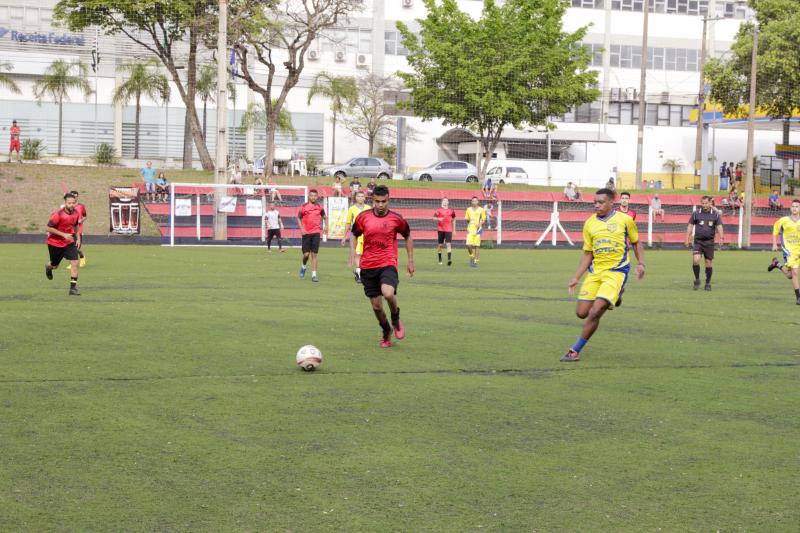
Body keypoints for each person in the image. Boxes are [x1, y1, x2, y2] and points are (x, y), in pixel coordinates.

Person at [562, 188, 645, 362]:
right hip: (595, 273)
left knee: (595, 312)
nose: (596, 205)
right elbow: (588, 253)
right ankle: (617, 296)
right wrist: (576, 277)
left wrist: (641, 264)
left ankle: (574, 351)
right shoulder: (589, 223)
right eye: (594, 202)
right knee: (581, 313)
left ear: (610, 203)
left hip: (616, 272)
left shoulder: (625, 220)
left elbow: (636, 243)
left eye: (600, 202)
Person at [351, 184, 414, 348]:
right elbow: (354, 234)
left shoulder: (396, 219)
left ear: (389, 200)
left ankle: (395, 318)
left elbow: (407, 236)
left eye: (384, 201)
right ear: (373, 200)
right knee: (377, 307)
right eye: (377, 201)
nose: (380, 205)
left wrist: (410, 260)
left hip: (387, 262)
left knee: (388, 293)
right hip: (368, 266)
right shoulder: (363, 217)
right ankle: (386, 330)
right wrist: (352, 252)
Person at [45, 192, 82, 296]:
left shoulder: (76, 213)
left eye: (73, 203)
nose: (71, 205)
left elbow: (76, 227)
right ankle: (48, 268)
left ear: (76, 203)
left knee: (75, 262)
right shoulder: (58, 214)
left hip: (68, 242)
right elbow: (48, 228)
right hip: (55, 243)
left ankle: (73, 288)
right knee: (54, 265)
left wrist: (78, 238)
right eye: (69, 203)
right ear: (65, 203)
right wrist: (63, 234)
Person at [685, 195, 724, 291]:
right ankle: (697, 279)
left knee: (708, 263)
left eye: (706, 203)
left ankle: (708, 283)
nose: (704, 205)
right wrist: (687, 238)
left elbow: (719, 226)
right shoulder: (696, 213)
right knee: (696, 260)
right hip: (698, 242)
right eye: (702, 203)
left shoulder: (715, 214)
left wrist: (721, 237)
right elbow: (690, 226)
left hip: (709, 242)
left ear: (710, 203)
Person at [767, 199, 800, 305]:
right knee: (795, 272)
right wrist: (774, 244)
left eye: (797, 206)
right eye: (793, 206)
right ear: (790, 208)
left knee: (790, 275)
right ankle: (798, 298)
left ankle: (777, 264)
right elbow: (775, 231)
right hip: (788, 250)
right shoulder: (783, 220)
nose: (795, 208)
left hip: (799, 250)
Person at [297, 189, 326, 282]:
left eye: (315, 196)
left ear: (317, 197)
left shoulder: (319, 207)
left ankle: (314, 275)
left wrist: (326, 227)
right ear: (309, 196)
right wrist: (302, 229)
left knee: (314, 255)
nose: (313, 197)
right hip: (306, 233)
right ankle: (303, 266)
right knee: (306, 255)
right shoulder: (303, 207)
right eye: (311, 195)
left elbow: (325, 217)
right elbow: (298, 218)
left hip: (316, 233)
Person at [343, 190, 371, 283]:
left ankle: (360, 271)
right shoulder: (352, 209)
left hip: (367, 234)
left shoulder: (368, 208)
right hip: (356, 235)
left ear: (364, 198)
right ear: (355, 198)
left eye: (362, 196)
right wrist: (344, 236)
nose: (360, 198)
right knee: (357, 254)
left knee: (366, 255)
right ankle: (359, 274)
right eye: (358, 196)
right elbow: (348, 222)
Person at [464, 196, 487, 268]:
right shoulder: (468, 209)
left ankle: (475, 262)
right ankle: (472, 257)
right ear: (471, 202)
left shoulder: (481, 210)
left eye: (475, 201)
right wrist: (468, 222)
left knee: (477, 246)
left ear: (478, 202)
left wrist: (480, 224)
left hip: (478, 230)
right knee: (468, 245)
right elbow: (467, 219)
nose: (474, 202)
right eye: (473, 201)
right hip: (470, 229)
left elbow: (483, 219)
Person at [433, 197, 456, 266]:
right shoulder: (439, 210)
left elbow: (454, 219)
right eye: (444, 201)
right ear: (442, 202)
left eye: (446, 201)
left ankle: (449, 259)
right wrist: (438, 218)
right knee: (440, 245)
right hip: (440, 230)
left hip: (448, 230)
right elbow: (433, 218)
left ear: (448, 202)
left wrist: (454, 229)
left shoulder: (451, 211)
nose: (445, 202)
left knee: (448, 244)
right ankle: (440, 259)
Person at [70, 190, 88, 267]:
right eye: (72, 196)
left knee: (76, 248)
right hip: (69, 230)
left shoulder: (81, 206)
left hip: (78, 230)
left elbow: (85, 216)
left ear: (77, 197)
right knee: (70, 248)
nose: (74, 197)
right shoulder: (68, 206)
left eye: (75, 196)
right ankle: (73, 263)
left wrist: (81, 220)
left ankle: (82, 256)